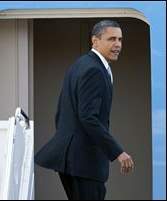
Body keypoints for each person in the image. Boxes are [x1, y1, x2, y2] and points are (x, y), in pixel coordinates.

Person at [34, 20, 134, 200]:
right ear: (95, 41)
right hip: (83, 163)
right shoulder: (93, 70)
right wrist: (117, 152)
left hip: (75, 161)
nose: (118, 44)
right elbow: (88, 117)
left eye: (120, 39)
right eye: (111, 39)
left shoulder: (82, 65)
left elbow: (60, 114)